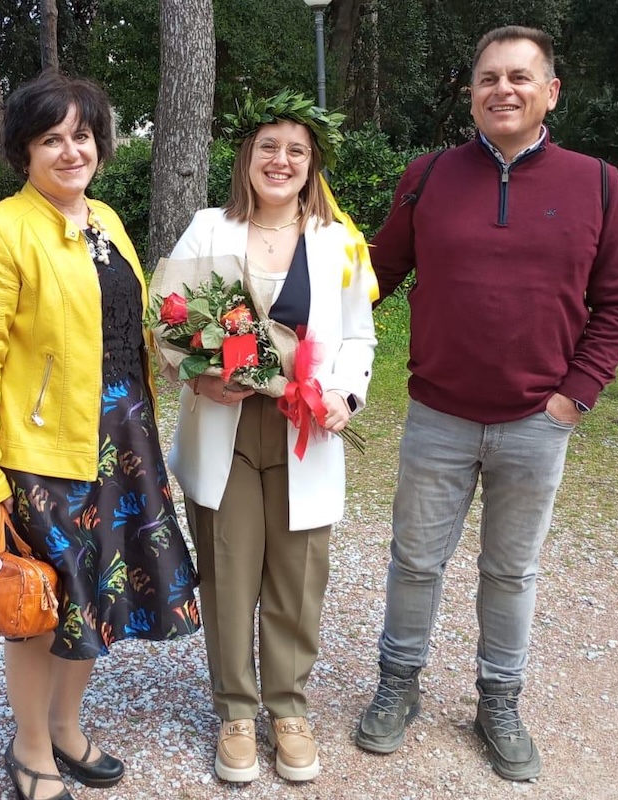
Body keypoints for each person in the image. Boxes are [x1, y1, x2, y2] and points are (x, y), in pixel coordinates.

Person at [353, 26, 618, 782]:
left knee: (511, 572)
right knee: (415, 561)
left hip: (535, 422)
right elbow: (371, 278)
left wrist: (573, 399)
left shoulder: (599, 184)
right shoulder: (428, 176)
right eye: (488, 78)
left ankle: (499, 700)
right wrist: (274, 297)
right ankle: (398, 685)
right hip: (438, 415)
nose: (502, 90)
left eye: (519, 77)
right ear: (472, 93)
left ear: (550, 92)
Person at [0, 72, 200, 800]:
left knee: (97, 597)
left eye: (81, 135)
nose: (69, 151)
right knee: (42, 607)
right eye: (50, 138)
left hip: (124, 439)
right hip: (44, 453)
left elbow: (122, 326)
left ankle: (66, 726)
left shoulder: (107, 220)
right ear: (23, 151)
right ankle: (30, 747)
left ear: (100, 143)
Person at [162, 91, 377, 784]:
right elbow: (170, 319)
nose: (280, 161)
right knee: (228, 574)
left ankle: (287, 708)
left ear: (313, 164)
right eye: (268, 148)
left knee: (295, 576)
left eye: (296, 150)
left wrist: (346, 393)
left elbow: (356, 335)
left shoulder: (339, 240)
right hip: (225, 427)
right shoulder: (205, 231)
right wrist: (197, 378)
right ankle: (234, 710)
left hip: (305, 431)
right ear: (246, 158)